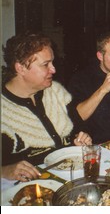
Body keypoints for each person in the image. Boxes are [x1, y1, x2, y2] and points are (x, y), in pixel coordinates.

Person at [1, 32, 92, 182]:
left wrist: (79, 139)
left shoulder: (55, 91)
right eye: (46, 65)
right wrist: (4, 170)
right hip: (30, 189)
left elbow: (77, 129)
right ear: (21, 68)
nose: (53, 70)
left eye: (52, 63)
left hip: (71, 176)